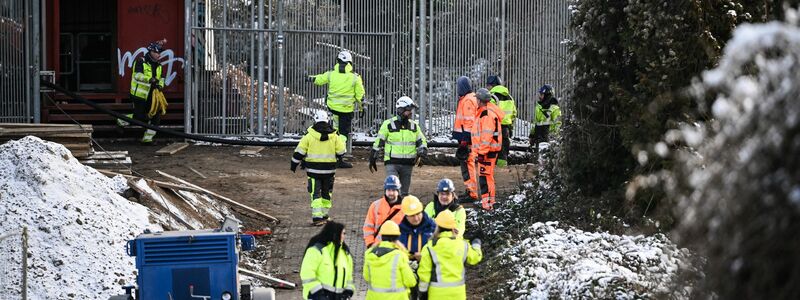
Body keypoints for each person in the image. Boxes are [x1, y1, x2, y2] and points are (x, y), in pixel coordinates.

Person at [308, 50, 365, 168]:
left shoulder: (331, 74)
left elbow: (319, 79)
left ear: (338, 61)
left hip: (332, 109)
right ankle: (339, 157)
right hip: (346, 111)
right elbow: (360, 96)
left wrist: (309, 78)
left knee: (333, 131)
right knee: (343, 134)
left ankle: (328, 154)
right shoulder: (355, 77)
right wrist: (361, 108)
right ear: (350, 62)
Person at [292, 110, 346, 226]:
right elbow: (342, 151)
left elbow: (299, 152)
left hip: (313, 171)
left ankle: (317, 217)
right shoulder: (335, 136)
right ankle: (325, 215)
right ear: (327, 120)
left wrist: (294, 164)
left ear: (315, 120)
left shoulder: (309, 135)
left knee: (315, 193)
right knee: (327, 193)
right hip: (329, 170)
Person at [417, 210, 483, 300]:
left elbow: (424, 274)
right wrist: (476, 243)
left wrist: (422, 293)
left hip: (436, 294)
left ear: (437, 226)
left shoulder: (429, 247)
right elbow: (475, 258)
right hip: (458, 294)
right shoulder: (463, 244)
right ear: (453, 227)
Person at [370, 96, 428, 196]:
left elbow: (422, 141)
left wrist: (423, 151)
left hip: (408, 164)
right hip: (392, 163)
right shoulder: (388, 124)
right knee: (391, 189)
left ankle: (402, 210)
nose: (410, 112)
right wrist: (373, 156)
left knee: (404, 193)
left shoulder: (414, 126)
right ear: (401, 110)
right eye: (408, 110)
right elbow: (379, 141)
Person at [118, 39, 167, 144]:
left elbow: (162, 78)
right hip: (139, 95)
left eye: (160, 53)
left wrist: (160, 86)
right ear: (151, 52)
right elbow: (137, 75)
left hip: (153, 95)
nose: (159, 55)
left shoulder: (159, 65)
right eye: (157, 52)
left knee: (156, 117)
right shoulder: (141, 61)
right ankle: (121, 120)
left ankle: (147, 139)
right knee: (139, 117)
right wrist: (149, 79)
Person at [466, 88, 504, 210]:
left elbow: (486, 137)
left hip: (487, 152)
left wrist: (481, 152)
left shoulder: (486, 115)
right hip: (487, 152)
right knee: (486, 177)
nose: (475, 100)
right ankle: (488, 203)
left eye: (477, 98)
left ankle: (487, 205)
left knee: (485, 178)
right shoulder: (485, 112)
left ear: (480, 100)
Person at [363, 220, 418, 300]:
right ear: (397, 237)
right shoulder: (400, 255)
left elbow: (367, 277)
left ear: (381, 236)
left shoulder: (369, 254)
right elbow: (410, 282)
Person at [300, 221, 356, 300]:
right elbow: (307, 274)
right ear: (335, 234)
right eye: (343, 233)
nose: (344, 236)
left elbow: (349, 277)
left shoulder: (345, 254)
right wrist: (318, 294)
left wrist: (348, 292)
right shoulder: (316, 251)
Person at [399, 195, 436, 300]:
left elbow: (441, 251)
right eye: (412, 215)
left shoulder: (433, 228)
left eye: (418, 214)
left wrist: (424, 256)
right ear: (405, 215)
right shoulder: (398, 230)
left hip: (428, 273)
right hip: (407, 272)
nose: (416, 218)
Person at [452, 76, 479, 200]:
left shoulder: (468, 100)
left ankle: (472, 193)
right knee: (468, 164)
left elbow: (469, 121)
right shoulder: (470, 98)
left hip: (467, 139)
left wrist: (464, 140)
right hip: (467, 138)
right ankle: (470, 190)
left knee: (468, 164)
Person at [363, 175, 406, 247]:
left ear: (398, 191)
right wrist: (370, 244)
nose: (391, 193)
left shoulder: (405, 208)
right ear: (385, 190)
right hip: (377, 247)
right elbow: (368, 227)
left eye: (394, 190)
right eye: (389, 190)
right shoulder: (375, 205)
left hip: (397, 248)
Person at [487, 75, 517, 167]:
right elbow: (514, 113)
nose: (487, 88)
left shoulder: (492, 97)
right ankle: (503, 169)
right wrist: (511, 126)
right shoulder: (510, 97)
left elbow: (488, 113)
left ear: (492, 85)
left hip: (495, 127)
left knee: (493, 150)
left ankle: (496, 171)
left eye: (488, 85)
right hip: (506, 128)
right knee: (503, 151)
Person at [529, 84, 562, 154]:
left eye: (541, 94)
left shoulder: (554, 109)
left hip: (548, 139)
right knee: (537, 160)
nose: (539, 96)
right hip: (538, 138)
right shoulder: (539, 108)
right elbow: (536, 122)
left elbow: (558, 124)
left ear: (547, 95)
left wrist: (554, 138)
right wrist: (532, 135)